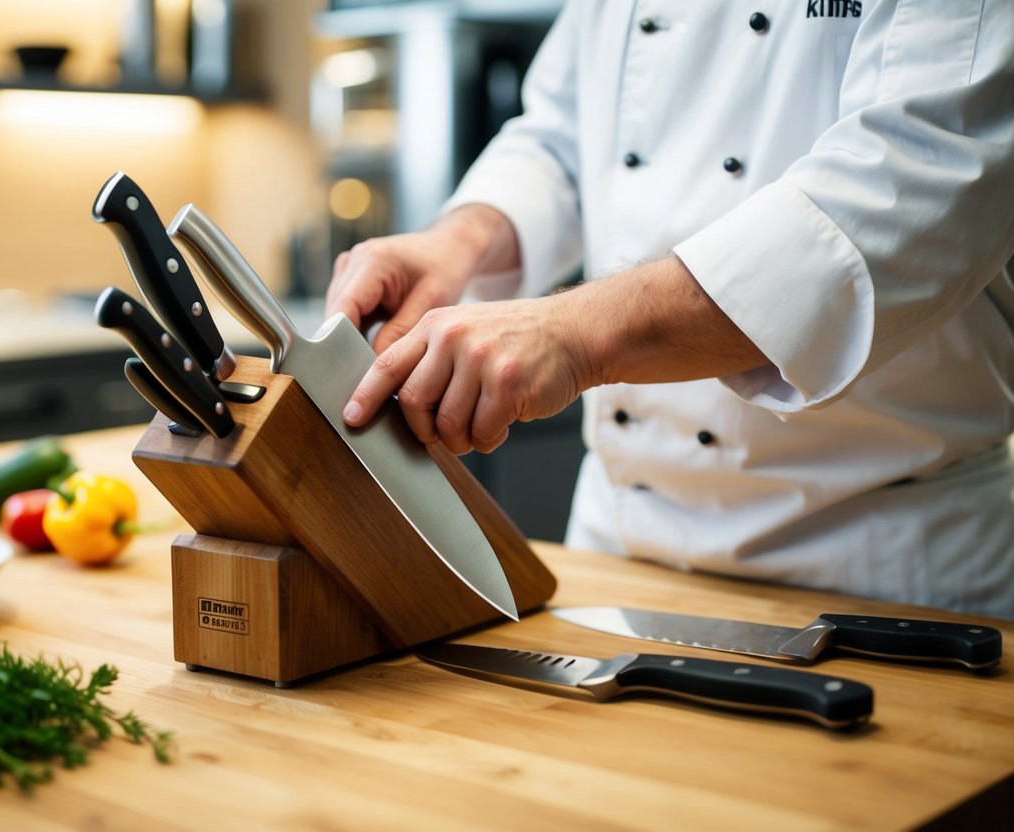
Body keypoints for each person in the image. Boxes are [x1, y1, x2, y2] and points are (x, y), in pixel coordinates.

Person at [324, 1, 1014, 620]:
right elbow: (560, 136)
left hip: (881, 572)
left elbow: (909, 181)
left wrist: (573, 333)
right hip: (617, 551)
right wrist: (458, 241)